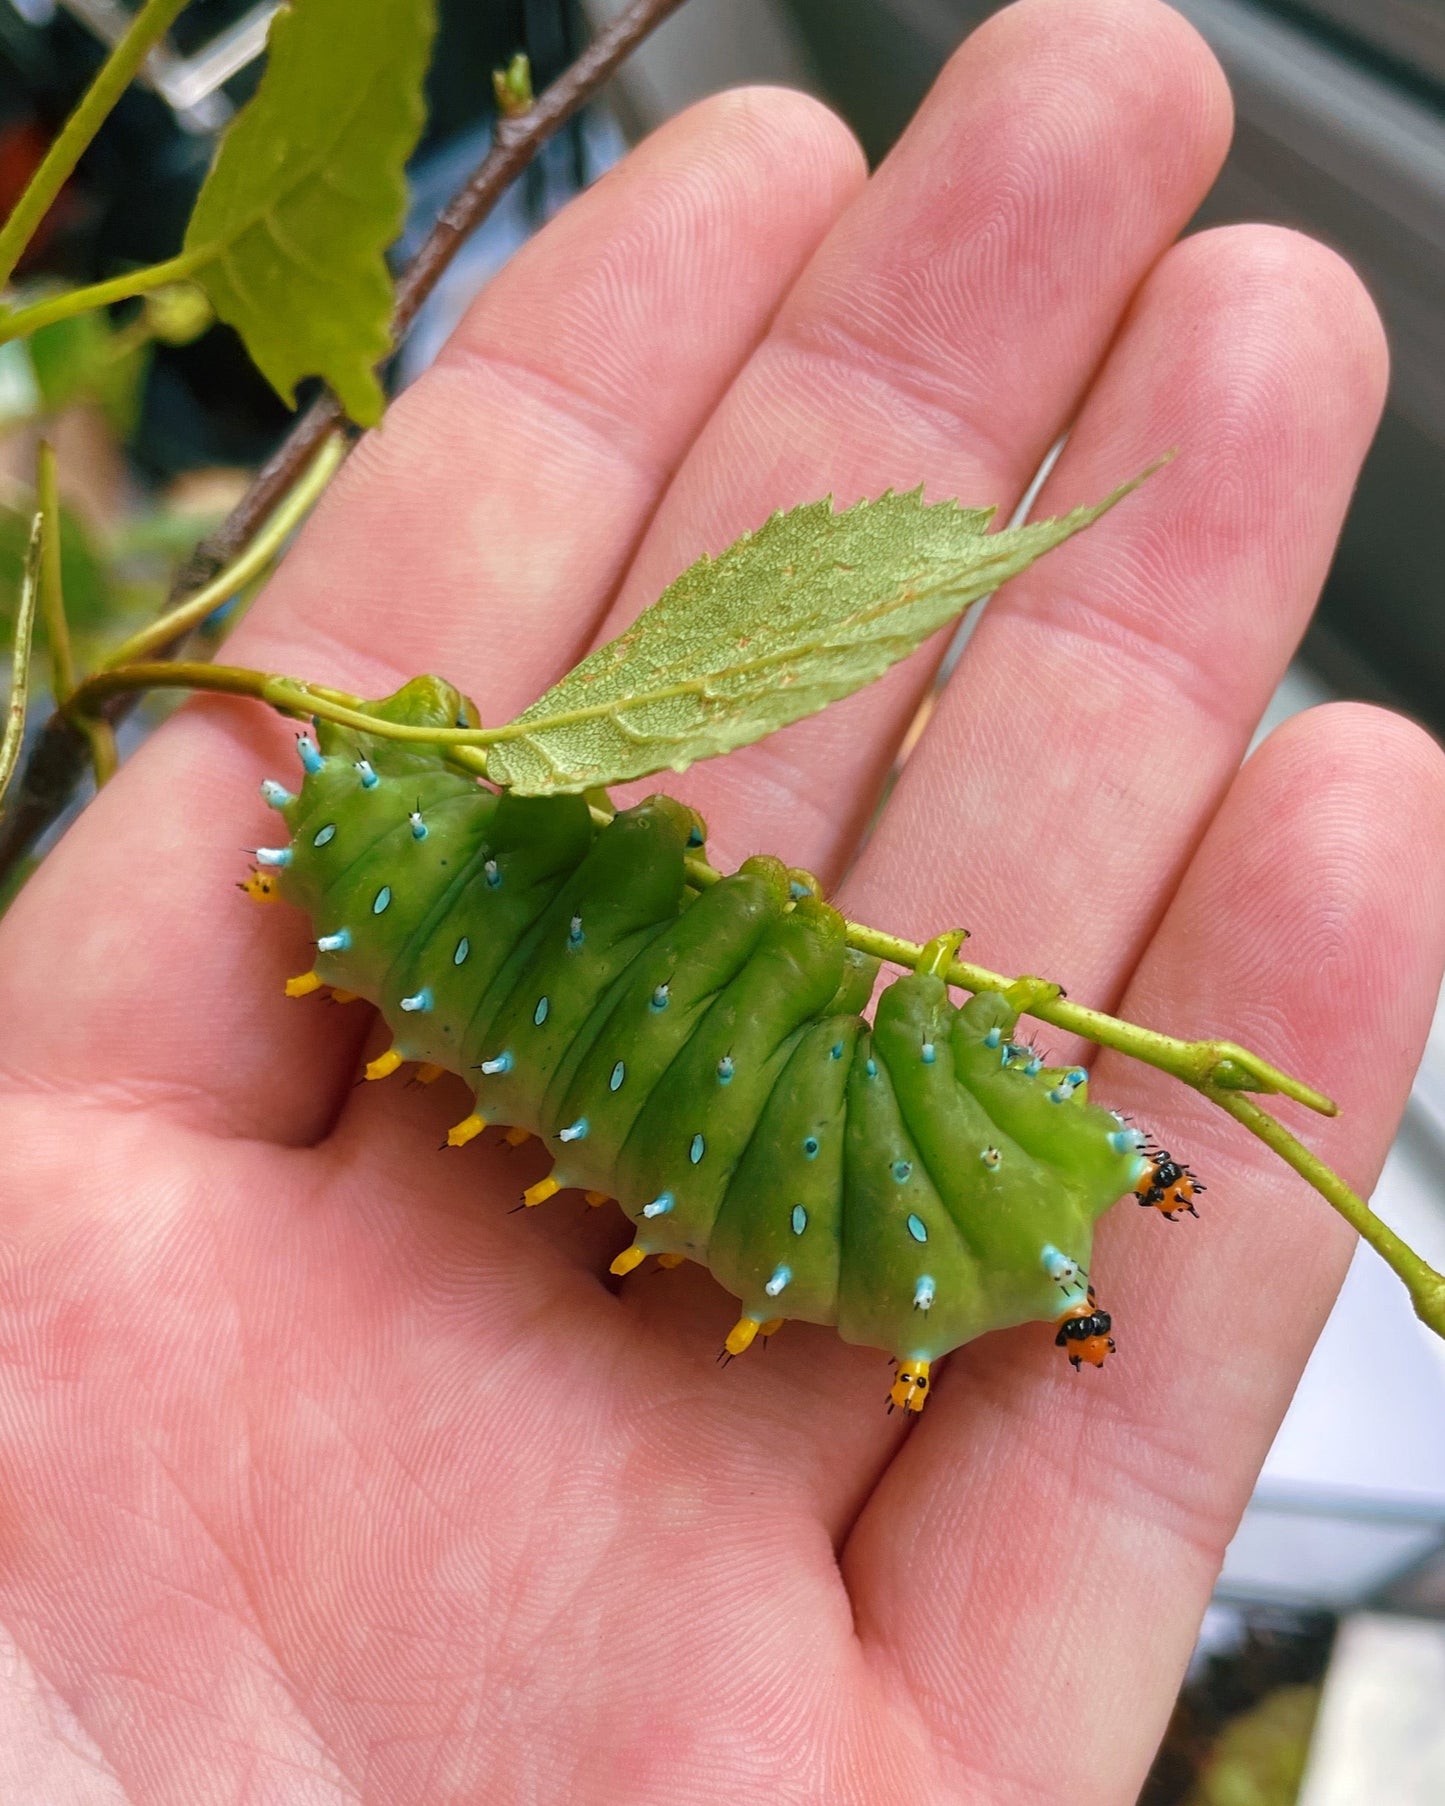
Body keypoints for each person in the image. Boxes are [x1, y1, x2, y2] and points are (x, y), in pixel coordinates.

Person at [1, 1, 1441, 1798]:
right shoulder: (712, 1000)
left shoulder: (558, 927)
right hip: (642, 1020)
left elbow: (771, 996)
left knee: (733, 1081)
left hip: (613, 1003)